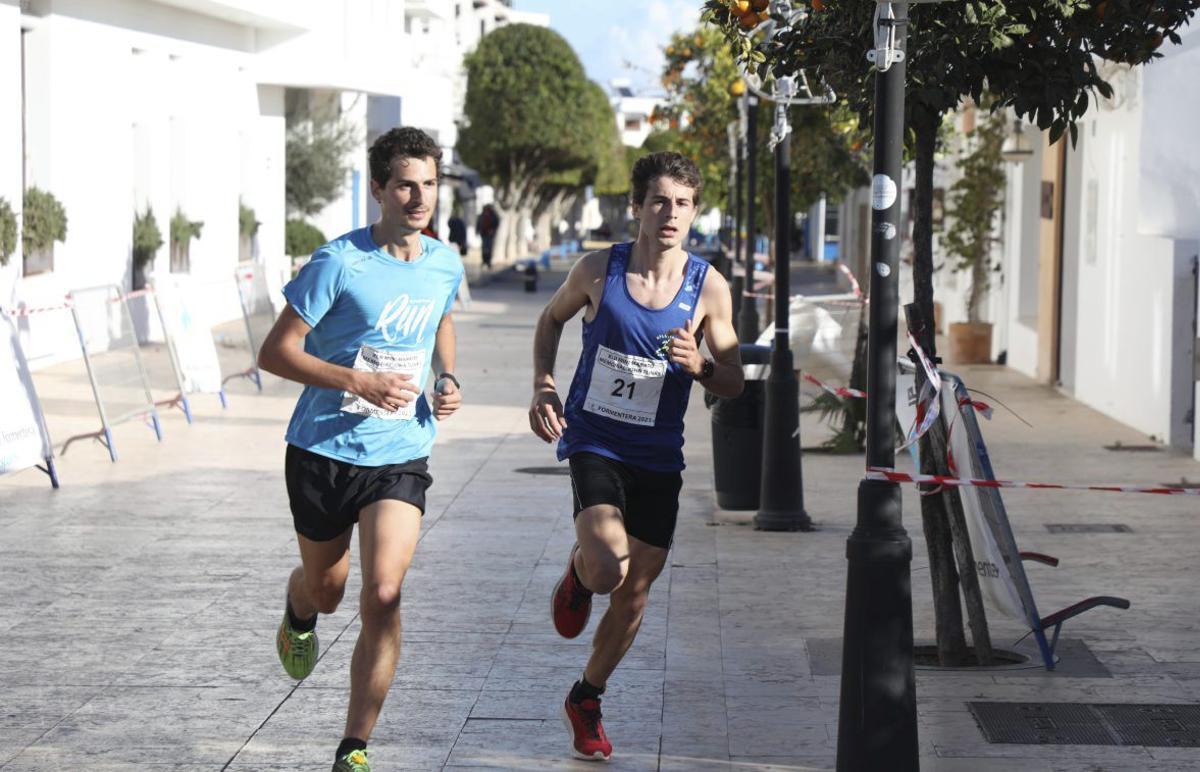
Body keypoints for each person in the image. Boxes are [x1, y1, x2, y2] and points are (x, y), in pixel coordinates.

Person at [258, 126, 464, 772]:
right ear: (377, 188)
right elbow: (275, 352)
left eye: (428, 184)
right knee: (329, 590)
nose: (418, 196)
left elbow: (441, 320)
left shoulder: (443, 262)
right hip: (322, 450)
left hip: (398, 452)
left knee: (382, 594)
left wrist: (446, 376)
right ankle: (299, 609)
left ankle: (354, 746)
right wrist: (356, 380)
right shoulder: (338, 262)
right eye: (405, 183)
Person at [528, 151, 744, 761]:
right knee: (606, 568)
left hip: (658, 457)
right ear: (637, 207)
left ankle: (586, 696)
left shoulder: (709, 289)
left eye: (682, 203)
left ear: (694, 211)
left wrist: (700, 365)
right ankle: (579, 570)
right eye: (659, 201)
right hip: (595, 439)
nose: (670, 213)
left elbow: (734, 380)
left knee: (634, 596)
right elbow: (550, 320)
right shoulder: (600, 270)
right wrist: (544, 384)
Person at [477, 203, 499, 269]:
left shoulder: (493, 215)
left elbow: (496, 223)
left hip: (490, 234)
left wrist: (493, 230)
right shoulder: (482, 215)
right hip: (483, 233)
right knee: (484, 248)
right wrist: (478, 230)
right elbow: (479, 223)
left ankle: (488, 261)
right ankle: (484, 261)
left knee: (489, 248)